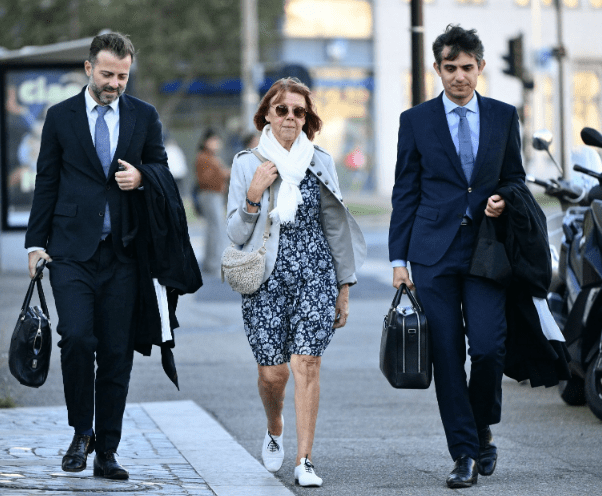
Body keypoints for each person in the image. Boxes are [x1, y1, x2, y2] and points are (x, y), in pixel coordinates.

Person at [25, 32, 200, 481]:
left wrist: (142, 177)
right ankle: (81, 431)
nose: (115, 83)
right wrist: (34, 243)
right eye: (107, 74)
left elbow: (163, 169)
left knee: (118, 354)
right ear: (88, 69)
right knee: (79, 338)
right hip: (71, 251)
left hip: (125, 254)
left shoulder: (144, 116)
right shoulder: (60, 117)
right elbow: (47, 181)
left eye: (122, 76)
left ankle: (107, 449)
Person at [388, 25, 527, 489]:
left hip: (487, 251)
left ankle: (482, 424)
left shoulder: (505, 117)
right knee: (447, 355)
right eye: (451, 68)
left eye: (468, 68)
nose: (459, 77)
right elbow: (405, 191)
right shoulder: (416, 120)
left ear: (481, 67)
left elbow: (515, 179)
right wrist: (398, 260)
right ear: (438, 69)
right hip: (432, 254)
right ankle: (464, 452)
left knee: (488, 348)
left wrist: (503, 199)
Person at [227, 77, 365, 487]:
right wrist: (253, 196)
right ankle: (275, 426)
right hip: (265, 277)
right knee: (273, 375)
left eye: (299, 111)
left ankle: (304, 460)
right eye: (282, 109)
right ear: (267, 114)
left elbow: (336, 229)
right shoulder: (247, 163)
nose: (290, 117)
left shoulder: (320, 160)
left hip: (315, 274)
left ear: (308, 119)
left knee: (307, 362)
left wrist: (344, 287)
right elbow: (235, 233)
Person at [195, 129, 231, 275]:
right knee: (215, 229)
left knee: (215, 229)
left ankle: (213, 262)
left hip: (214, 195)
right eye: (213, 141)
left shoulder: (211, 157)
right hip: (209, 194)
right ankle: (213, 263)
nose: (216, 144)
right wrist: (223, 173)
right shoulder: (203, 158)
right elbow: (205, 179)